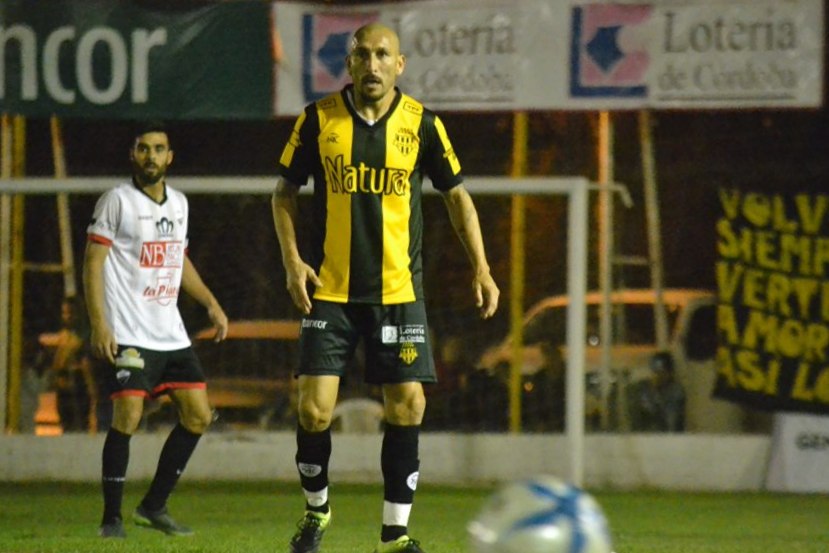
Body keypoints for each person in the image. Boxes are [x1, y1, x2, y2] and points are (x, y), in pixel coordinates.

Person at [272, 22, 500, 553]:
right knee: (313, 411)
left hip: (398, 294)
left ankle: (394, 535)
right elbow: (283, 194)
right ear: (349, 64)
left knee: (408, 406)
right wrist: (292, 261)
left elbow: (457, 196)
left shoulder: (422, 124)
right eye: (362, 55)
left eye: (382, 55)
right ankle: (316, 512)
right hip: (331, 291)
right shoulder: (318, 120)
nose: (372, 64)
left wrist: (483, 268)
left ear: (399, 65)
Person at [83, 122, 228, 539]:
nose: (151, 156)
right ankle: (111, 519)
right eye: (143, 148)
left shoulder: (179, 203)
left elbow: (178, 261)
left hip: (171, 334)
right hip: (129, 331)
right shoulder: (117, 200)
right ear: (133, 154)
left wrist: (211, 302)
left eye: (159, 149)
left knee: (198, 416)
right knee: (128, 414)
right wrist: (100, 323)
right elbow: (93, 263)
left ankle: (153, 507)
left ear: (170, 157)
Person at [39, 296, 98, 433]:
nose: (66, 317)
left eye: (70, 313)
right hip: (64, 387)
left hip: (77, 385)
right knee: (66, 424)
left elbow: (85, 364)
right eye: (64, 313)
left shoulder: (81, 338)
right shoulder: (65, 335)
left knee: (80, 423)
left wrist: (92, 390)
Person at [628, 351, 686, 432]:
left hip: (666, 436)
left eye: (662, 372)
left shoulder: (676, 391)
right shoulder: (644, 388)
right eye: (655, 372)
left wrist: (655, 393)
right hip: (644, 435)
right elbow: (636, 417)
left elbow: (671, 421)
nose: (657, 376)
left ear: (670, 373)